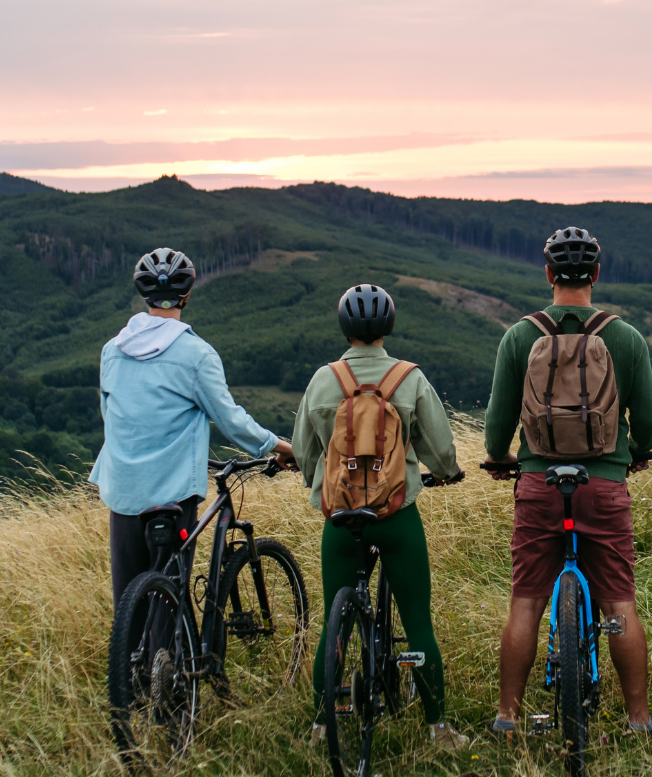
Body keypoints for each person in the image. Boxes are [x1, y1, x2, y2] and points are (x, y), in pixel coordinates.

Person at [483, 226, 652, 735]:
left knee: (526, 603)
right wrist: (636, 453)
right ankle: (639, 719)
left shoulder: (520, 336)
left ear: (548, 274)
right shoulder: (624, 337)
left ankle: (508, 717)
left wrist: (503, 457)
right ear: (597, 274)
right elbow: (647, 422)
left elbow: (497, 426)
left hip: (540, 484)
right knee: (619, 601)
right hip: (604, 485)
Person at [293, 283, 470, 750]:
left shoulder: (323, 380)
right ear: (388, 326)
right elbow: (440, 449)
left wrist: (322, 484)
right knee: (418, 623)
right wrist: (447, 474)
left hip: (340, 520)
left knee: (334, 624)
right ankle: (437, 729)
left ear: (344, 327)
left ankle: (320, 727)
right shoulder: (409, 378)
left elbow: (305, 453)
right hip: (396, 516)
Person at [90, 248, 295, 606]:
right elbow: (232, 421)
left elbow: (110, 414)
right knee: (169, 599)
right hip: (170, 492)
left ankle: (130, 662)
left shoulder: (112, 350)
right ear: (186, 294)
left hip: (121, 488)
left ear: (144, 295)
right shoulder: (196, 354)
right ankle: (165, 661)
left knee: (129, 602)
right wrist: (281, 447)